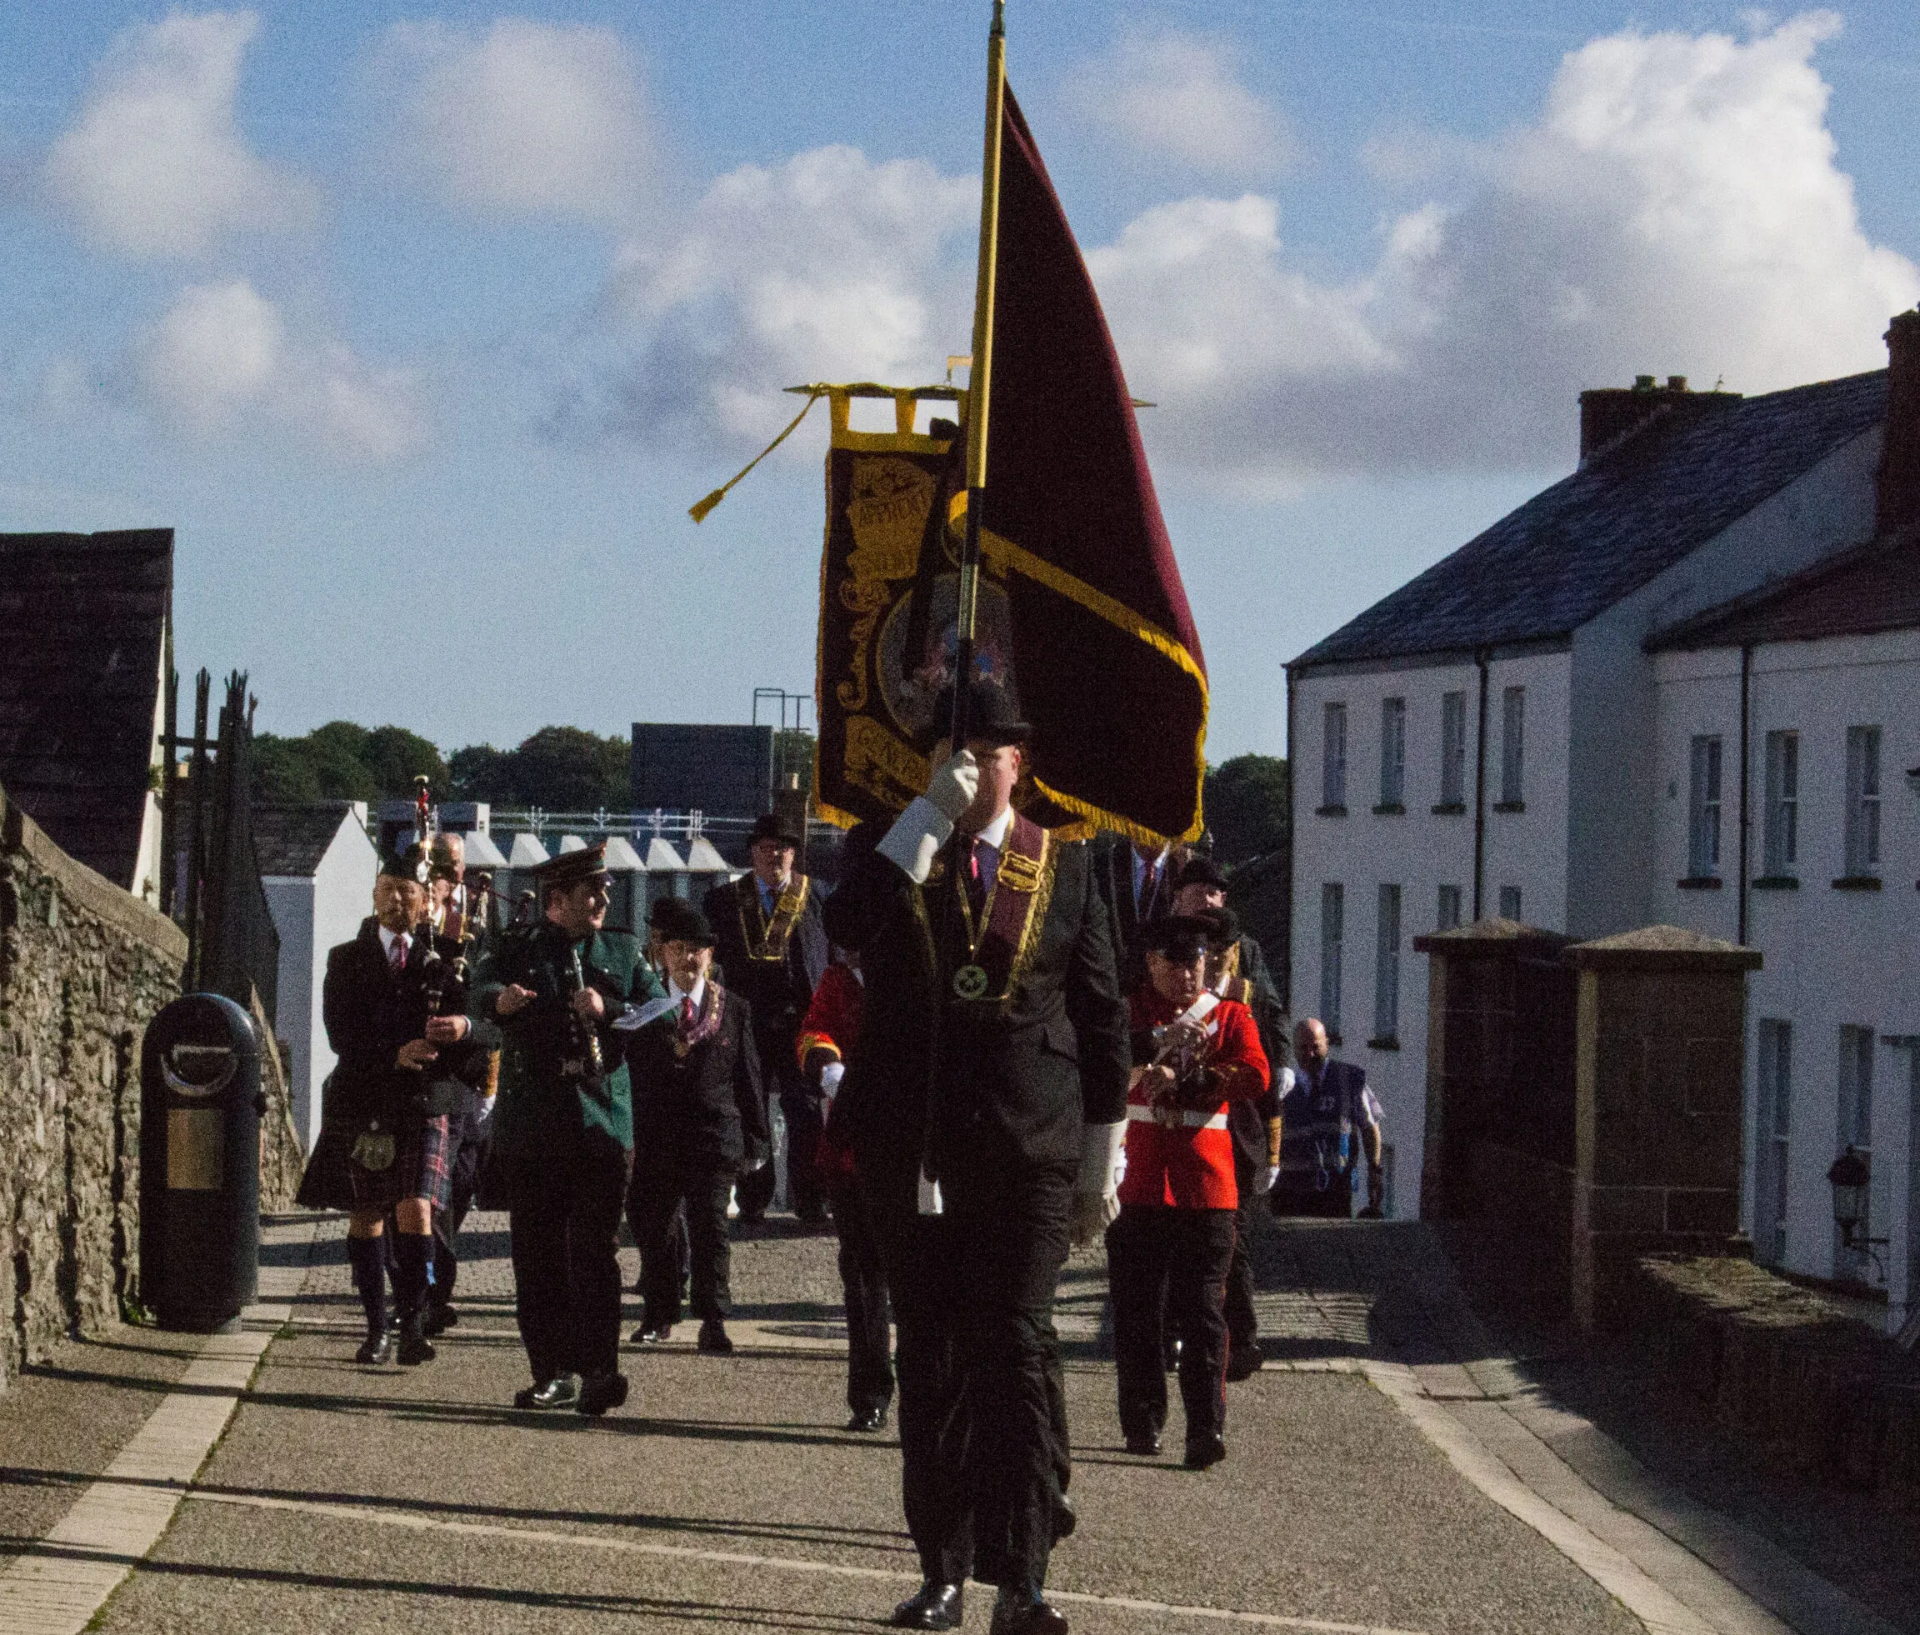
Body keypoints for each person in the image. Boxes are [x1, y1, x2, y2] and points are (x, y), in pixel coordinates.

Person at [826, 682, 1130, 1635]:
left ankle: (1025, 1577)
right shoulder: (895, 848)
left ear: (1020, 760)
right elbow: (848, 927)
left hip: (1029, 1146)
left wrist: (1100, 1159)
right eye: (949, 752)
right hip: (914, 1143)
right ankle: (943, 1568)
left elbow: (1103, 1016)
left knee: (1015, 1345)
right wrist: (924, 815)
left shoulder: (1068, 868)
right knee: (936, 1361)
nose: (969, 767)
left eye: (988, 750)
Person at [471, 843, 664, 1415]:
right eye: (591, 893)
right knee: (538, 1254)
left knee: (597, 1253)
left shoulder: (624, 949)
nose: (603, 900)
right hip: (534, 1124)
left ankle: (601, 1369)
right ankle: (552, 1371)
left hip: (601, 1120)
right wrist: (500, 1002)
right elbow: (475, 991)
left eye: (604, 890)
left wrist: (607, 1007)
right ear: (556, 901)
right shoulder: (518, 947)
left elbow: (660, 1009)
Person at [297, 847, 488, 1367]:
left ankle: (413, 1323)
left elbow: (479, 1034)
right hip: (365, 1097)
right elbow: (340, 1034)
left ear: (427, 902)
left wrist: (460, 1031)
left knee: (416, 1208)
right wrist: (393, 1053)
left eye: (407, 892)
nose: (395, 899)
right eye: (386, 889)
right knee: (366, 1214)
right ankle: (375, 1327)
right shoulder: (345, 958)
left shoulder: (447, 961)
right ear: (374, 895)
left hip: (424, 1102)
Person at [1107, 915, 1270, 1466]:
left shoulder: (1230, 1015)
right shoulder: (1129, 1015)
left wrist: (1196, 1076)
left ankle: (1206, 1428)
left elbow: (1255, 1073)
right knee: (1138, 1310)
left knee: (1205, 1311)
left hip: (1206, 1185)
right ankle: (1142, 1419)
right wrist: (1150, 1056)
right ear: (1151, 963)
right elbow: (1099, 1061)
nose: (1186, 975)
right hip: (1139, 1181)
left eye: (1194, 964)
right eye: (1174, 965)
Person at [624, 897, 767, 1355]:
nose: (689, 958)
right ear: (663, 952)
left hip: (713, 1136)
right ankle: (659, 1313)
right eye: (679, 948)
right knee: (655, 1227)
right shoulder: (644, 1006)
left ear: (711, 955)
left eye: (697, 950)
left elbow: (749, 1076)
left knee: (711, 1231)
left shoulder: (734, 1007)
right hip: (657, 1135)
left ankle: (714, 1318)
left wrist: (757, 1140)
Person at [1171, 866, 1289, 1381]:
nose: (1213, 899)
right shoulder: (1159, 943)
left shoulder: (1249, 955)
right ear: (1181, 896)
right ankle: (1175, 1331)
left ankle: (1240, 1338)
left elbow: (1271, 1012)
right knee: (1173, 1233)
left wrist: (1281, 1065)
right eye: (1203, 890)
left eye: (1220, 891)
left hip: (1234, 1117)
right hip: (1170, 1110)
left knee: (1231, 1235)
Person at [705, 813, 829, 1223]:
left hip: (801, 1018)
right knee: (749, 1106)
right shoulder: (723, 900)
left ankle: (809, 1199)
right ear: (752, 853)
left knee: (806, 1110)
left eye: (782, 848)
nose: (774, 855)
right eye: (765, 848)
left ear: (793, 853)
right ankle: (753, 1200)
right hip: (748, 1018)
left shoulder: (816, 896)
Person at [797, 947, 893, 1432]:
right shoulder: (838, 980)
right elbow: (814, 1030)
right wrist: (827, 1063)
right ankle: (870, 1392)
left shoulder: (917, 967)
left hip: (912, 1144)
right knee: (861, 1274)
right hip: (852, 1150)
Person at [423, 831, 497, 1336]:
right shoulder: (414, 937)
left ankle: (430, 1289)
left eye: (453, 870)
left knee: (463, 1189)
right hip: (430, 1086)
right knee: (433, 1198)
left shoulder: (478, 929)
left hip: (473, 1083)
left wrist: (470, 1028)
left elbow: (496, 1016)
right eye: (439, 871)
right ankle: (430, 1297)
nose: (447, 879)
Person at [1271, 1018, 1385, 1219]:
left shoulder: (1349, 1080)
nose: (1309, 1054)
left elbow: (1370, 1128)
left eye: (1316, 1047)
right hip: (1290, 1193)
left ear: (1327, 1044)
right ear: (1294, 1048)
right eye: (1303, 1048)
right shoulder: (1283, 1086)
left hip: (1335, 1191)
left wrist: (1374, 1171)